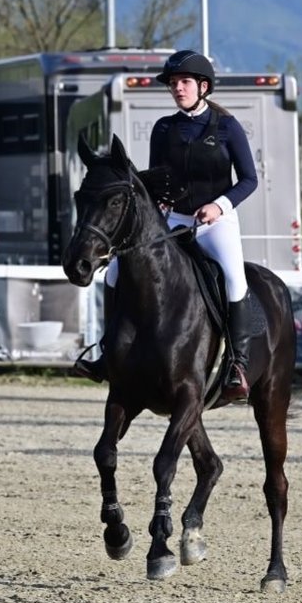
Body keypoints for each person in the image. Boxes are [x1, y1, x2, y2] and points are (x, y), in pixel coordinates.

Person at [72, 49, 259, 403]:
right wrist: (155, 202)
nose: (177, 88)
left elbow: (249, 179)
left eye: (184, 82)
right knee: (114, 272)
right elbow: (155, 178)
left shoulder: (227, 129)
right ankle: (107, 353)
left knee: (234, 278)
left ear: (203, 86)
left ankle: (237, 365)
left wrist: (218, 206)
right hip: (174, 221)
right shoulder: (164, 128)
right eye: (173, 83)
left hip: (215, 223)